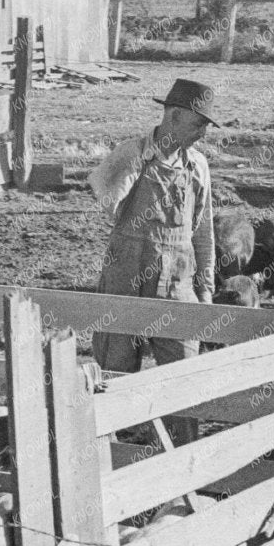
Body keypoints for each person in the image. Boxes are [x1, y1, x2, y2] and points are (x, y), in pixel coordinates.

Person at [88, 78, 219, 374]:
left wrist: (206, 292)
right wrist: (141, 162)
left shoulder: (198, 167)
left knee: (184, 373)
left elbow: (203, 234)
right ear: (174, 116)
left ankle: (181, 423)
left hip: (176, 284)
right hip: (125, 282)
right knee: (115, 372)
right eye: (198, 124)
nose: (202, 134)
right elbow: (107, 200)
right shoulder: (131, 153)